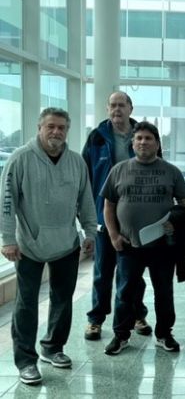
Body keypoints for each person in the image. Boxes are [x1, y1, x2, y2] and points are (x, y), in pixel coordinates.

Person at [0, 108, 96, 385]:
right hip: (28, 244)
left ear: (68, 130)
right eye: (51, 127)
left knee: (63, 300)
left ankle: (53, 348)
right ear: (39, 127)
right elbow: (7, 203)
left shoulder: (76, 162)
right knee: (27, 304)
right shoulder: (20, 159)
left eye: (62, 128)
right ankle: (26, 361)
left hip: (66, 243)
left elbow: (85, 200)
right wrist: (7, 239)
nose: (56, 132)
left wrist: (90, 232)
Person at [101, 121, 185, 356]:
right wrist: (113, 235)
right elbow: (108, 205)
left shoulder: (171, 172)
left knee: (163, 291)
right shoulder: (119, 170)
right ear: (133, 143)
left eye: (148, 138)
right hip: (129, 245)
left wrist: (175, 222)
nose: (143, 142)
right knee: (125, 291)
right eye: (138, 138)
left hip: (162, 245)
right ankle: (121, 336)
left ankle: (164, 334)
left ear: (158, 144)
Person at [82, 91, 152, 341]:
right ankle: (95, 320)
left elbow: (156, 169)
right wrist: (88, 215)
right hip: (104, 216)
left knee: (133, 273)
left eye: (121, 105)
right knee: (103, 271)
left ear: (131, 108)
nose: (116, 110)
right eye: (112, 105)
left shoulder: (143, 135)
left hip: (135, 219)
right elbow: (85, 177)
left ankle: (136, 314)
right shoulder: (97, 137)